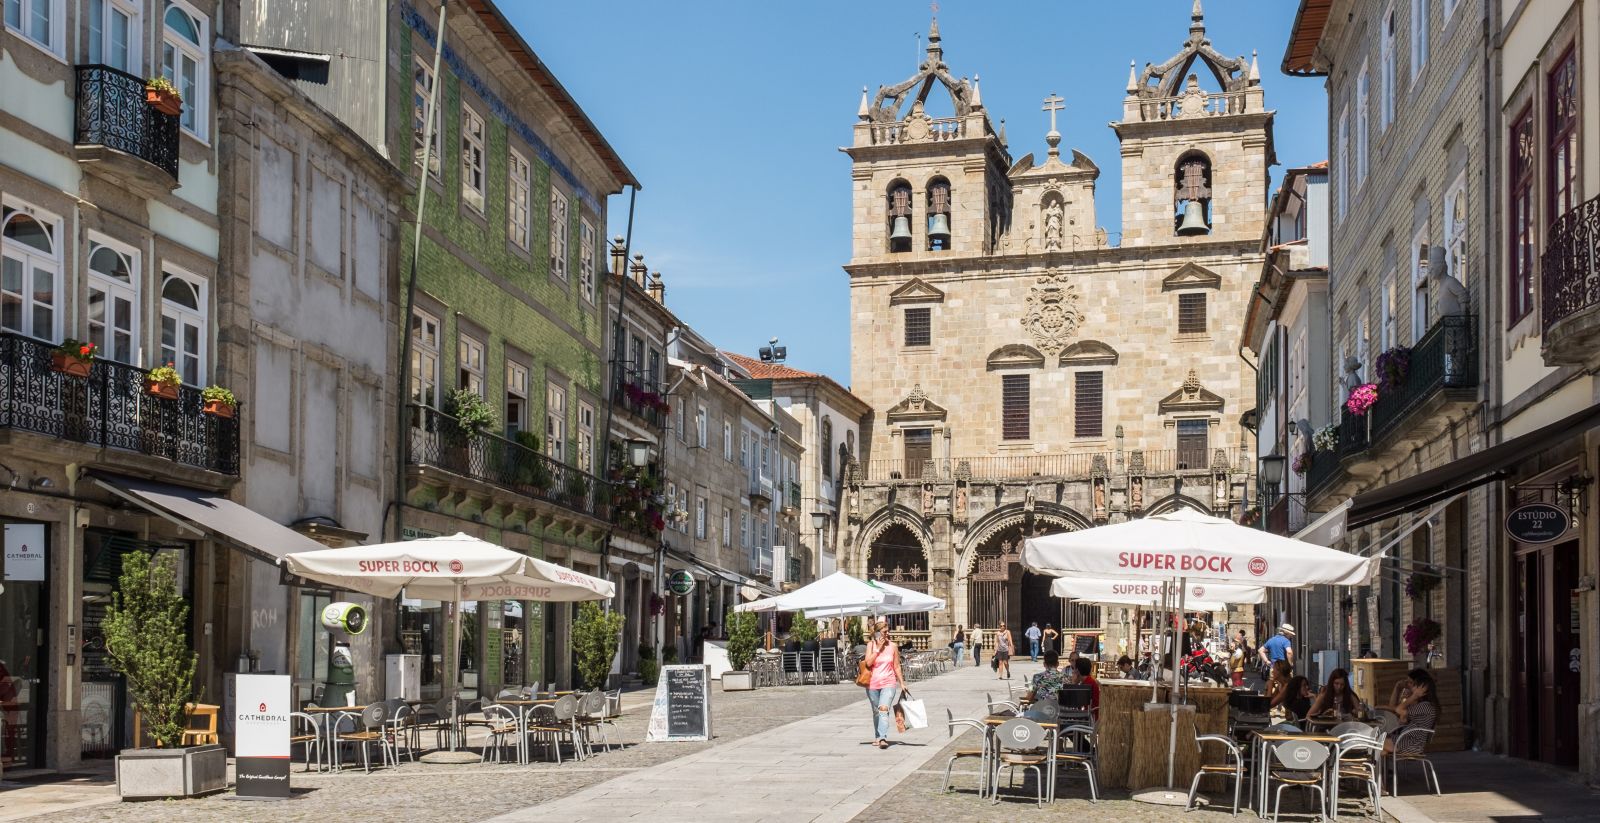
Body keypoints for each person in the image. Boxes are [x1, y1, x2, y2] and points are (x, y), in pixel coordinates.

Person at [862, 618, 905, 750]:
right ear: (877, 633)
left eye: (888, 632)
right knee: (876, 711)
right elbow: (868, 663)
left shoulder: (893, 646)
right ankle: (877, 736)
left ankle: (882, 737)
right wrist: (878, 649)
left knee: (883, 709)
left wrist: (902, 683)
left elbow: (896, 666)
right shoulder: (870, 645)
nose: (887, 634)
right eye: (884, 632)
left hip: (889, 682)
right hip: (872, 684)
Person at [1383, 668, 1440, 757]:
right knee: (1380, 749)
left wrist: (1413, 696)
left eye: (1415, 686)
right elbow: (1402, 716)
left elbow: (1398, 710)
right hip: (1406, 741)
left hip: (1409, 744)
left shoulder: (1425, 706)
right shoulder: (1426, 705)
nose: (1412, 687)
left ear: (1423, 690)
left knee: (1374, 741)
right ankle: (1381, 770)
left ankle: (1377, 769)